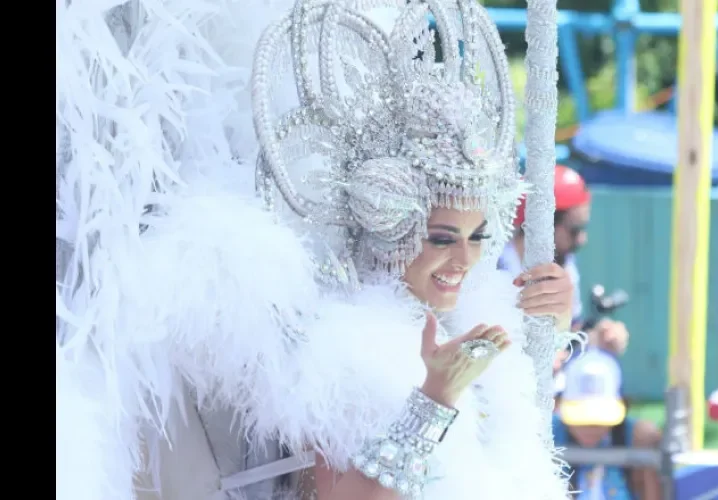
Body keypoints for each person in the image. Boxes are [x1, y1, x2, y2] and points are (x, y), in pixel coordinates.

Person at [56, 2, 579, 500]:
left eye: (477, 237)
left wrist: (548, 324)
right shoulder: (341, 350)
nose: (463, 260)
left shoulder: (476, 323)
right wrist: (434, 398)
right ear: (389, 224)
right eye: (441, 238)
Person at [500, 165, 629, 358]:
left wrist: (598, 338)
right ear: (540, 227)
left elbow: (565, 336)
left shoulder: (564, 263)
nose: (582, 239)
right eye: (574, 230)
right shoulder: (494, 274)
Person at [553, 349, 661, 500]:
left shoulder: (637, 439)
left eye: (598, 420)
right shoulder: (549, 435)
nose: (590, 427)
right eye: (582, 418)